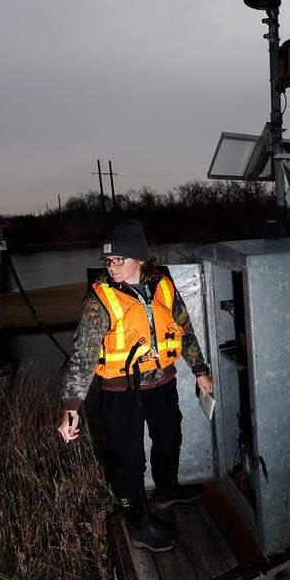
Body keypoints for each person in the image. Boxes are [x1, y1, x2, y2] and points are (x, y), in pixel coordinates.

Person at [57, 219, 213, 552]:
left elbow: (183, 330)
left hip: (162, 382)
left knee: (170, 438)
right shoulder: (99, 300)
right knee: (127, 458)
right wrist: (70, 406)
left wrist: (200, 370)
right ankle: (139, 524)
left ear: (139, 260)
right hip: (120, 392)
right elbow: (83, 356)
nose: (112, 267)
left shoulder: (164, 286)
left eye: (119, 260)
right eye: (109, 261)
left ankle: (167, 489)